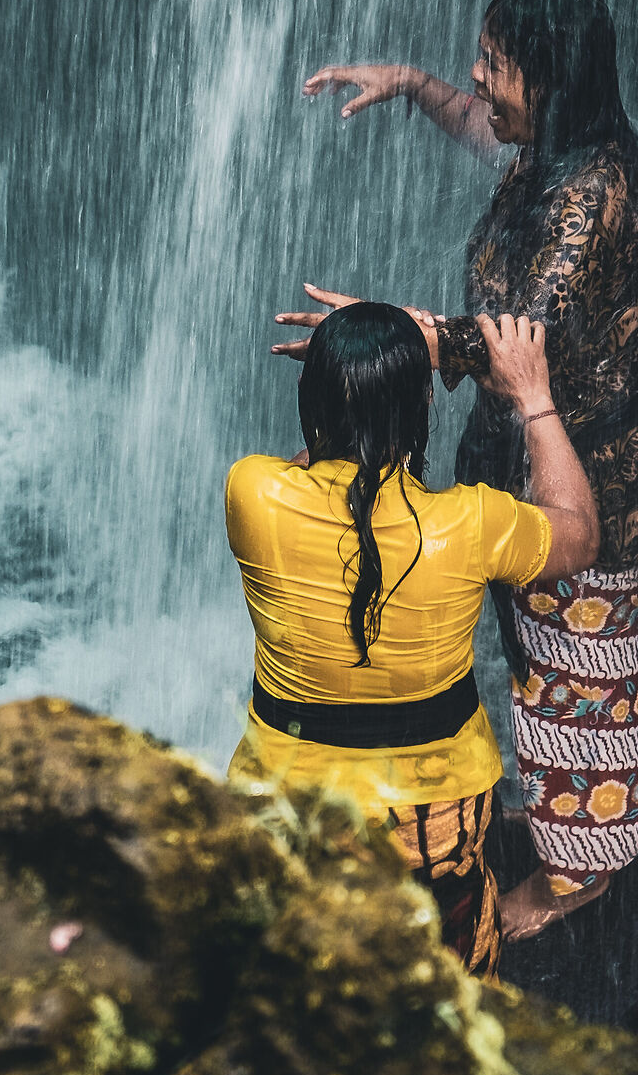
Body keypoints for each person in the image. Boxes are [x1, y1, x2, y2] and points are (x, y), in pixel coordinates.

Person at [276, 0, 638, 939]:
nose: (478, 77)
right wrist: (413, 85)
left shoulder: (591, 203)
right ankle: (557, 827)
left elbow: (517, 348)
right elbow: (479, 125)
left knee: (586, 677)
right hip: (525, 458)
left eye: (494, 65)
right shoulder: (556, 145)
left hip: (588, 483)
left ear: (547, 81)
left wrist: (391, 338)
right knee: (541, 659)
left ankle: (581, 873)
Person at [226, 302, 598, 978]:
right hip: (432, 823)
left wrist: (351, 379)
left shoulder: (252, 493)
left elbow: (311, 470)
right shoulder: (472, 521)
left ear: (314, 406)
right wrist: (534, 397)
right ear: (423, 408)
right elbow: (579, 530)